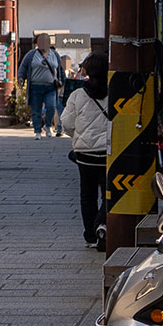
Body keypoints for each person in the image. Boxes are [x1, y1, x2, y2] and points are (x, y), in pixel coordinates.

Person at [63, 53, 114, 245]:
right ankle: (102, 223)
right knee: (108, 192)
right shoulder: (115, 93)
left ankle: (91, 236)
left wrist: (77, 136)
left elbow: (67, 123)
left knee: (87, 195)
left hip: (84, 154)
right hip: (108, 153)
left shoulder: (77, 95)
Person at [19, 34, 66, 137]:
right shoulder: (31, 54)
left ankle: (48, 125)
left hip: (51, 86)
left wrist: (63, 80)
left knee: (51, 107)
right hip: (35, 86)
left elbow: (60, 70)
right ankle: (37, 131)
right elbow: (23, 67)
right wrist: (21, 78)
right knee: (36, 110)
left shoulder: (55, 54)